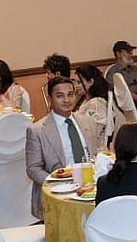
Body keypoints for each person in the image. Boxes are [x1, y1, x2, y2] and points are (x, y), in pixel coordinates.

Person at [25, 76, 101, 219]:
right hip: (59, 191)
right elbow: (33, 169)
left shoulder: (88, 121)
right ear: (50, 99)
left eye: (70, 94)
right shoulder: (37, 131)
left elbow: (97, 155)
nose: (67, 100)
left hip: (90, 187)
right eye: (60, 96)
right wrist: (57, 183)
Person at [73, 64, 110, 145]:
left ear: (91, 82)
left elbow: (93, 132)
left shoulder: (97, 103)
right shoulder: (86, 101)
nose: (76, 86)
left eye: (79, 82)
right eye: (75, 82)